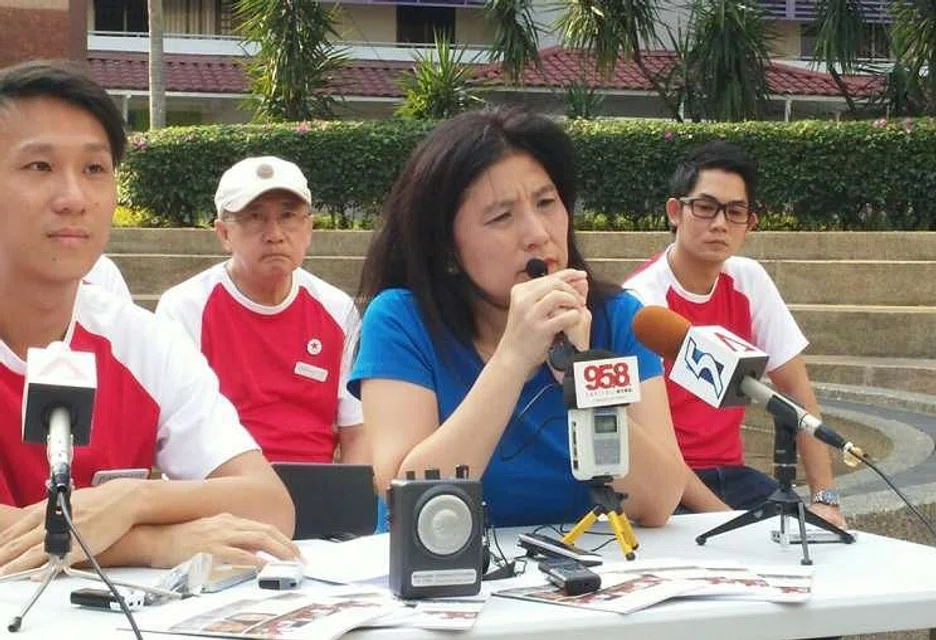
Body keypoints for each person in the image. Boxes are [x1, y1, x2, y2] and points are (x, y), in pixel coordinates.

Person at [0, 60, 298, 575]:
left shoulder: (143, 343)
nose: (74, 198)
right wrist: (150, 543)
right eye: (40, 167)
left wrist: (129, 501)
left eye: (95, 169)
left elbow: (269, 505)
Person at [349, 108, 686, 528]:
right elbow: (409, 497)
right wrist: (512, 359)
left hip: (577, 560)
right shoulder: (401, 319)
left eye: (547, 203)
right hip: (445, 562)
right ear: (447, 248)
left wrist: (581, 378)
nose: (538, 233)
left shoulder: (617, 318)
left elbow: (658, 502)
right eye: (501, 217)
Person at [623, 141, 845, 527]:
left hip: (734, 475)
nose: (720, 224)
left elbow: (796, 391)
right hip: (666, 487)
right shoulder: (642, 301)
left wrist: (825, 498)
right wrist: (727, 522)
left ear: (749, 223)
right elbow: (651, 445)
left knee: (816, 539)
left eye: (735, 212)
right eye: (705, 207)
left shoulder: (749, 279)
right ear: (675, 212)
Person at [155, 156, 366, 465]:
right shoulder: (185, 308)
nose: (275, 233)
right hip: (219, 482)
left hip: (315, 484)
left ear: (309, 228)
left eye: (288, 216)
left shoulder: (337, 309)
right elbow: (177, 431)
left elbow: (357, 431)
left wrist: (354, 491)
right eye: (255, 217)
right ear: (224, 234)